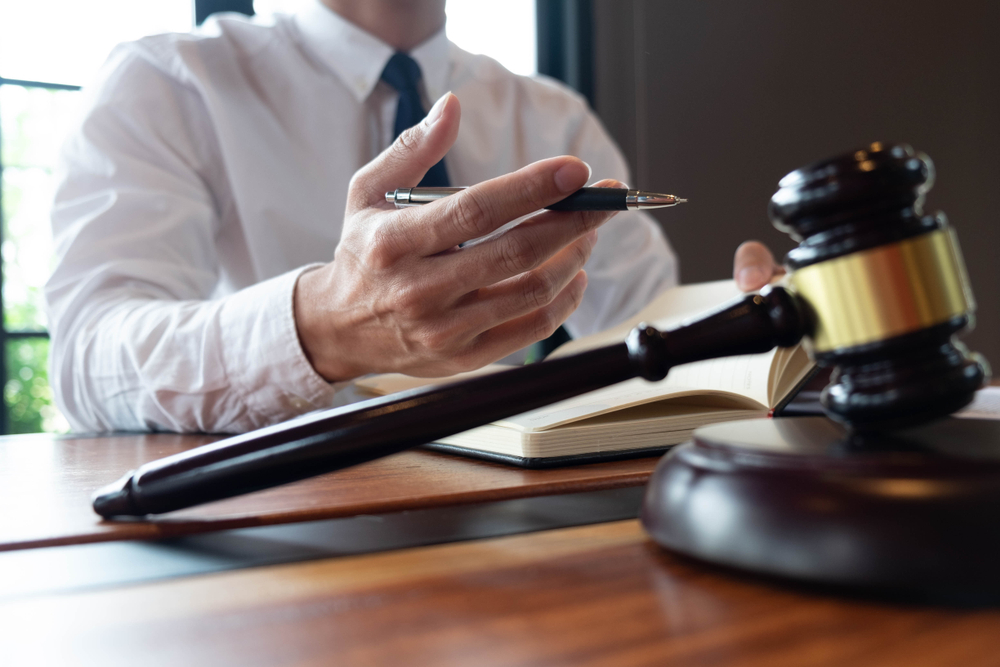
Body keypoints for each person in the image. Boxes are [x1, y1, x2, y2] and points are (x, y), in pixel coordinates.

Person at [44, 0, 779, 434]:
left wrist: (761, 323)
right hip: (263, 531)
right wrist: (320, 327)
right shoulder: (170, 82)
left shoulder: (551, 117)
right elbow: (86, 357)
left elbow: (653, 332)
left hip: (523, 528)